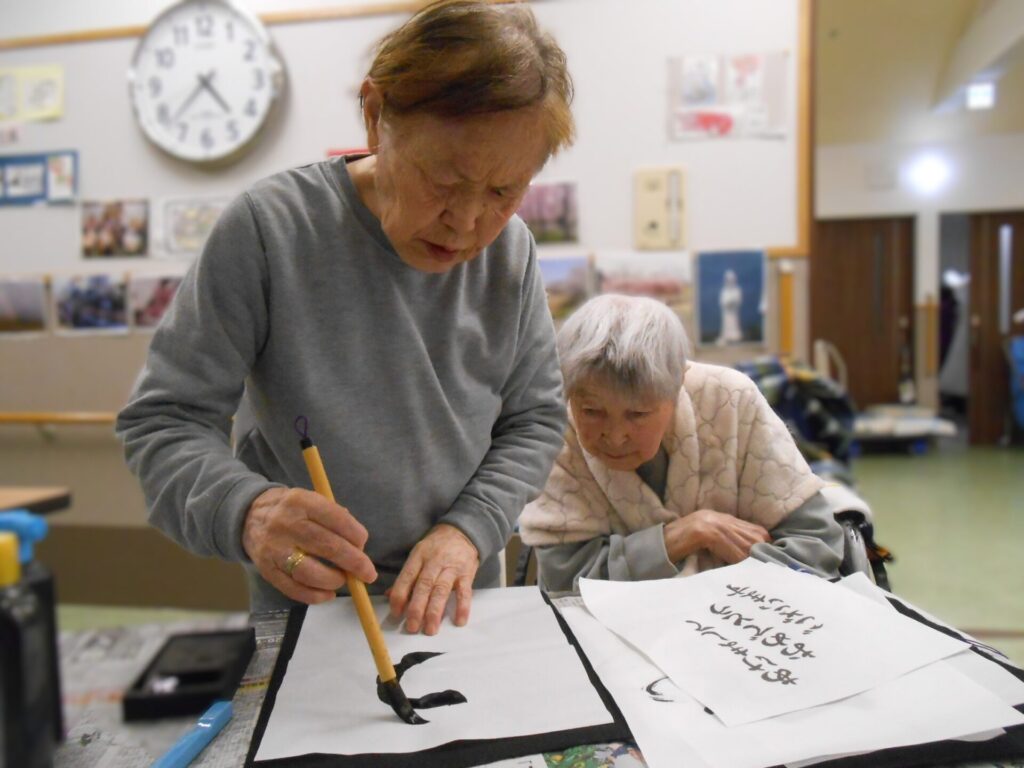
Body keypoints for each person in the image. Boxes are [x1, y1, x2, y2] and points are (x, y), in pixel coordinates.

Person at [116, 0, 574, 635]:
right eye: (444, 180)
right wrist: (249, 512)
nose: (467, 223)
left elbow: (535, 420)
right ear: (375, 115)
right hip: (311, 609)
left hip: (458, 601)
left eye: (503, 191)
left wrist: (468, 529)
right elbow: (165, 421)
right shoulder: (270, 231)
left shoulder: (511, 251)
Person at [519, 294, 846, 593]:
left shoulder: (730, 401)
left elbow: (816, 549)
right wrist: (688, 534)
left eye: (638, 414)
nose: (615, 436)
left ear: (677, 388)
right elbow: (565, 580)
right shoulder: (557, 430)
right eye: (591, 411)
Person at [716, 268, 743, 345]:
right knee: (727, 325)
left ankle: (734, 337)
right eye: (728, 280)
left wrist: (733, 302)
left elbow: (738, 300)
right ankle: (726, 337)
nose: (729, 281)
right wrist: (727, 303)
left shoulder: (737, 290)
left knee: (734, 324)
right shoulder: (724, 291)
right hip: (726, 312)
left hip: (733, 312)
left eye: (731, 280)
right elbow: (722, 302)